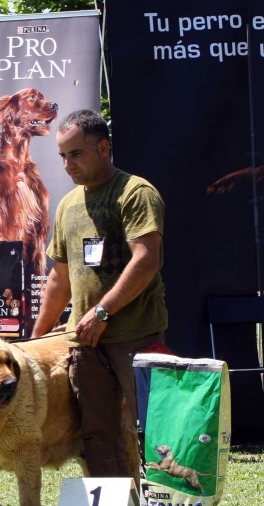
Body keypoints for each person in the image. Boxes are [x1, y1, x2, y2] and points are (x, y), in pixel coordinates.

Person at [32, 110, 168, 485]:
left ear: (103, 147)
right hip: (85, 344)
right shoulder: (68, 205)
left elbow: (147, 259)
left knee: (154, 431)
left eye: (75, 154)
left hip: (135, 337)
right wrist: (36, 339)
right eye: (62, 156)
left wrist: (102, 312)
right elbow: (59, 278)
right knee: (96, 434)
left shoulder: (135, 193)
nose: (67, 164)